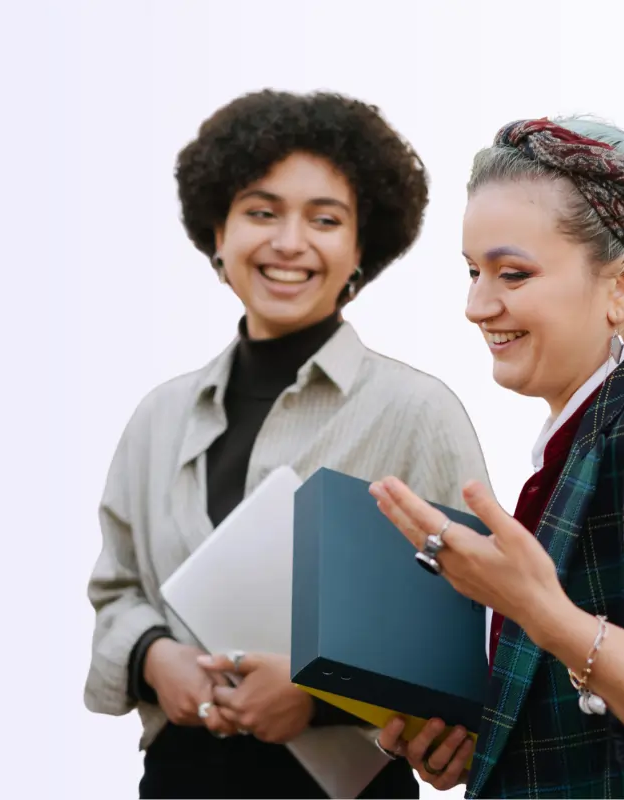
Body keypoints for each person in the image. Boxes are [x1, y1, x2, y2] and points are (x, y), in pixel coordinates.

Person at [82, 89, 491, 799]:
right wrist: (153, 657)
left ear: (362, 247)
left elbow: (469, 630)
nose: (289, 242)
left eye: (324, 219)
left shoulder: (416, 412)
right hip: (180, 781)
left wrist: (315, 696)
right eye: (261, 212)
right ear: (218, 232)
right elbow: (117, 590)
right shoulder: (159, 417)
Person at [371, 117, 624, 798]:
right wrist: (489, 736)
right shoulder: (587, 435)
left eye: (512, 273)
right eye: (473, 272)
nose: (476, 305)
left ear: (623, 284)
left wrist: (548, 617)